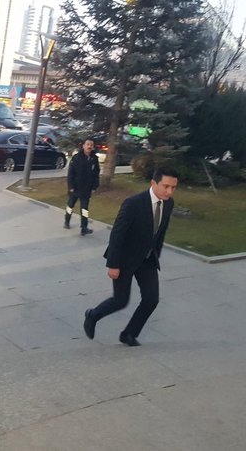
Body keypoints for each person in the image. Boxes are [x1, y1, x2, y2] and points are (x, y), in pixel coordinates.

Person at [83, 166, 179, 346]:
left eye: (173, 187)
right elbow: (117, 234)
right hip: (125, 259)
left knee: (151, 300)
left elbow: (160, 232)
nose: (170, 191)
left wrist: (156, 254)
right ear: (153, 183)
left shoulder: (168, 203)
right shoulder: (133, 203)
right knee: (120, 301)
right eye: (166, 186)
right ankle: (93, 315)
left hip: (148, 259)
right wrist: (113, 264)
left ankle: (128, 334)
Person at [64, 139, 100, 235]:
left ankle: (84, 227)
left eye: (91, 145)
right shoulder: (76, 158)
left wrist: (94, 186)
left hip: (86, 189)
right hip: (75, 188)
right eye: (87, 144)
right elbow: (71, 173)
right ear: (83, 146)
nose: (89, 146)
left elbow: (96, 174)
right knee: (70, 206)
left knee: (84, 209)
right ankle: (67, 221)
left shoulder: (94, 159)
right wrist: (71, 186)